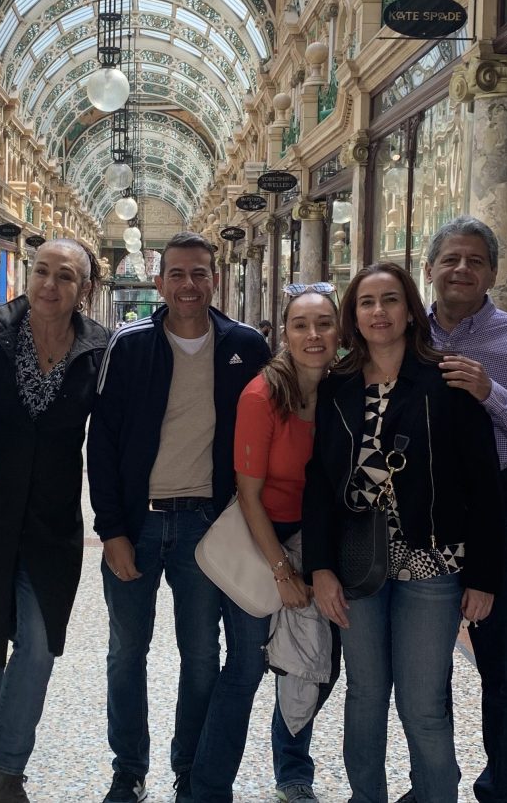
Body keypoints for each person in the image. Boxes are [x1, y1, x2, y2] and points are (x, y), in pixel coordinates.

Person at [303, 262, 504, 803]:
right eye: (366, 303)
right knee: (365, 694)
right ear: (353, 315)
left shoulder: (448, 380)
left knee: (422, 704)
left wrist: (483, 576)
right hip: (357, 563)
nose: (378, 312)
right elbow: (320, 484)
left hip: (431, 565)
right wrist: (319, 568)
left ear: (411, 310)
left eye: (390, 300)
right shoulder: (338, 385)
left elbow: (486, 486)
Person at [88, 231, 269, 803]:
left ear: (214, 279)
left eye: (199, 274)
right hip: (138, 525)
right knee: (126, 652)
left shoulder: (245, 346)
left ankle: (189, 768)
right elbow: (104, 444)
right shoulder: (131, 345)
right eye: (177, 274)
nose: (188, 285)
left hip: (205, 526)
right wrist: (111, 529)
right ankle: (129, 768)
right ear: (159, 281)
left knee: (201, 655)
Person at [403, 216, 507, 803]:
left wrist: (491, 392)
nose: (461, 269)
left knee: (501, 668)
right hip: (420, 518)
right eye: (450, 258)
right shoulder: (402, 334)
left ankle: (503, 786)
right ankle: (432, 781)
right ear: (429, 269)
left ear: (493, 273)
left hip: (497, 515)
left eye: (475, 260)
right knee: (426, 672)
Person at [0, 239, 110, 803]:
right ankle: (5, 782)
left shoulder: (100, 350)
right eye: (41, 271)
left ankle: (1, 762)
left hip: (53, 523)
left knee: (39, 645)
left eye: (65, 276)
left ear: (84, 289)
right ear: (27, 276)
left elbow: (110, 438)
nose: (49, 285)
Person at [192, 284, 344, 803]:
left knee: (314, 662)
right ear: (284, 333)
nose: (313, 335)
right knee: (246, 665)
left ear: (339, 332)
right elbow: (249, 494)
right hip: (265, 539)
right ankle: (209, 788)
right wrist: (282, 571)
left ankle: (294, 775)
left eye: (324, 323)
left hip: (323, 541)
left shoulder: (346, 391)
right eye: (301, 324)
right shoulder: (262, 395)